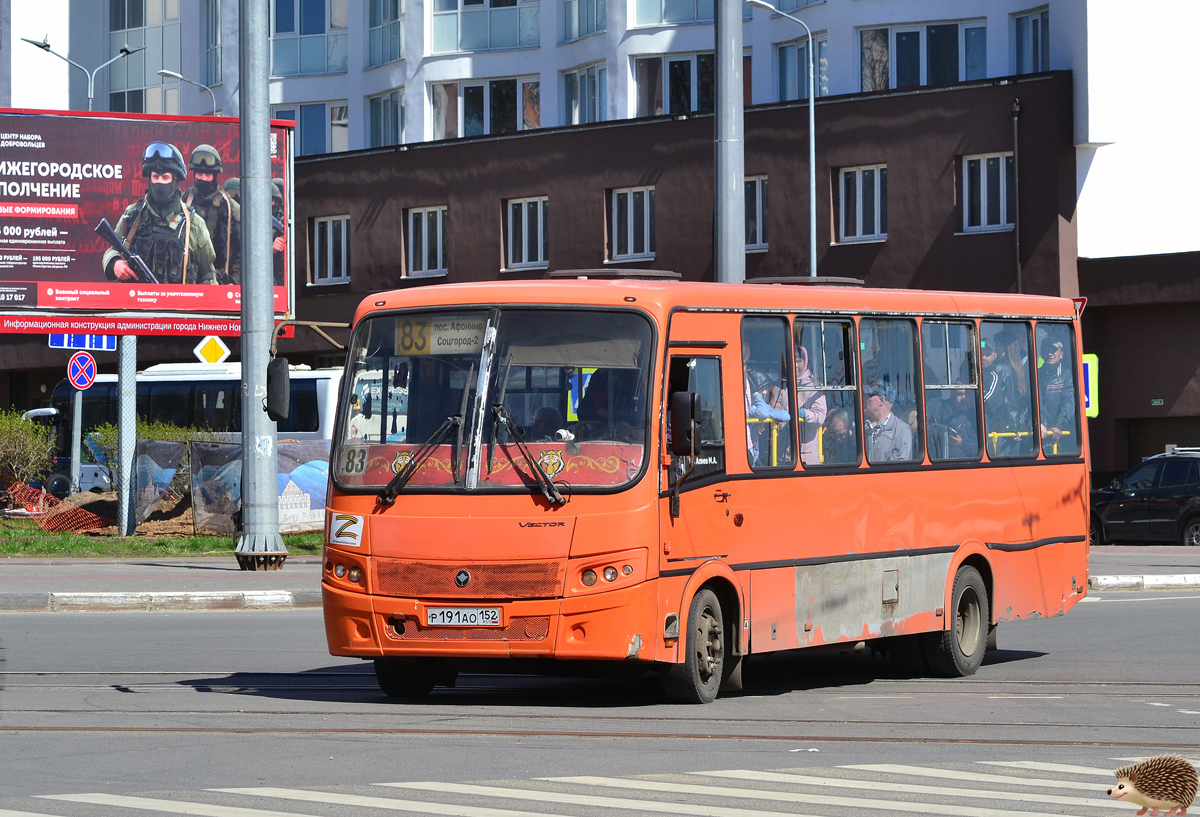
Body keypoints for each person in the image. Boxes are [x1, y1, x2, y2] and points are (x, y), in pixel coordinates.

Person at [103, 142, 217, 285]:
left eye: (165, 177)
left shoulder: (193, 224)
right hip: (136, 304)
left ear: (175, 180)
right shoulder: (133, 214)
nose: (159, 182)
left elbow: (208, 276)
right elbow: (112, 250)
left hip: (179, 305)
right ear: (149, 179)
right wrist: (115, 263)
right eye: (155, 176)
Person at [183, 144, 241, 285]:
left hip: (220, 282)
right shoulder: (184, 200)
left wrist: (234, 282)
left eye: (208, 175)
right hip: (188, 281)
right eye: (200, 174)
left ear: (215, 176)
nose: (203, 178)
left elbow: (241, 251)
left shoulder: (230, 207)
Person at [981, 335, 1019, 456]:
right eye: (981, 353)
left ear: (995, 356)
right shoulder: (970, 372)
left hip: (999, 431)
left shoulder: (996, 373)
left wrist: (1013, 427)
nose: (983, 357)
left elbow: (992, 400)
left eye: (987, 354)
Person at [1038, 338, 1076, 454]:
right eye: (1046, 350)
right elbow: (1029, 403)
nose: (1050, 354)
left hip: (1060, 435)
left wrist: (1059, 425)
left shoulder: (1066, 375)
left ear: (1061, 354)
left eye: (1053, 350)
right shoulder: (1035, 373)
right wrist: (1037, 423)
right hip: (1039, 434)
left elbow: (1069, 402)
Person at [793, 345, 827, 466]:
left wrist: (804, 414)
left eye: (799, 361)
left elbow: (820, 417)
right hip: (783, 454)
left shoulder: (815, 387)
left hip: (807, 457)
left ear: (806, 361)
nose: (795, 365)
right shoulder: (781, 385)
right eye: (792, 360)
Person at [863, 381, 912, 463]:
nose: (864, 399)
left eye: (869, 396)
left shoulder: (901, 430)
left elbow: (900, 466)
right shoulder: (861, 426)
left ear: (881, 400)